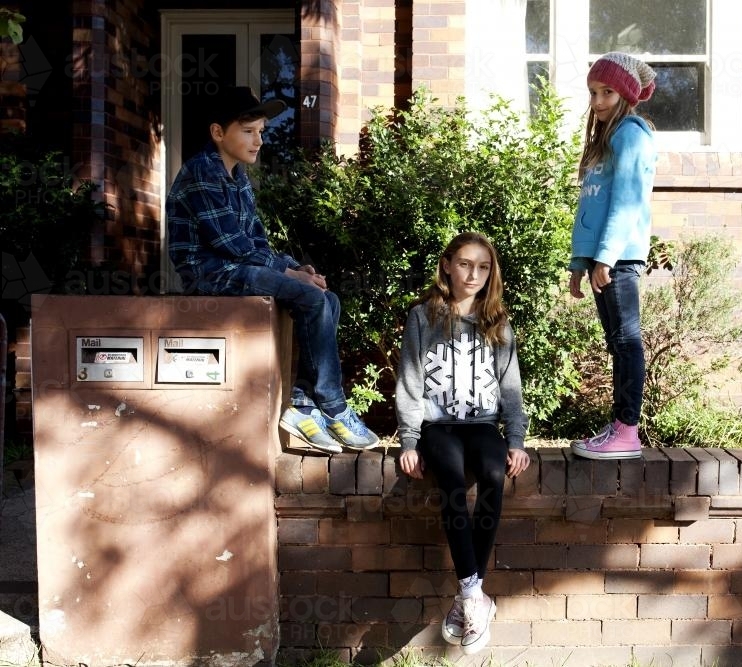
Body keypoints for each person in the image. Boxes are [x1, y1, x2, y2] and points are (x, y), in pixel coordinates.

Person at [166, 85, 378, 454]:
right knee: (311, 296)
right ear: (219, 133)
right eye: (248, 131)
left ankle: (303, 405)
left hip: (237, 267)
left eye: (261, 131)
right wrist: (293, 276)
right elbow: (230, 243)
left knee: (327, 299)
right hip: (210, 273)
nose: (259, 140)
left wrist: (296, 267)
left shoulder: (238, 177)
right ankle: (334, 406)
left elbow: (257, 242)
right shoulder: (202, 171)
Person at [395, 232, 530, 655]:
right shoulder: (423, 317)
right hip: (439, 428)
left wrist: (517, 439)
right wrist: (410, 440)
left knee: (493, 474)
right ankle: (474, 595)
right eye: (466, 264)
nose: (474, 274)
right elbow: (410, 381)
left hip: (483, 425)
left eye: (484, 267)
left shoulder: (498, 322)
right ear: (448, 266)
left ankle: (468, 597)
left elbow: (511, 387)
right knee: (451, 480)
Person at [567, 52, 657, 460]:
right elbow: (590, 210)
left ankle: (627, 430)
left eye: (607, 92)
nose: (598, 100)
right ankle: (620, 427)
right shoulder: (605, 140)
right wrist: (580, 264)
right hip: (605, 258)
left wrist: (604, 258)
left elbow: (626, 204)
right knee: (617, 342)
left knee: (626, 341)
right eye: (593, 92)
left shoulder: (631, 134)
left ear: (626, 95)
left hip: (619, 258)